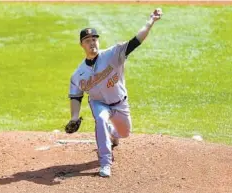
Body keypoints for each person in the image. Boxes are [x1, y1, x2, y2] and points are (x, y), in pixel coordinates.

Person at [68, 8, 163, 177]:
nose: (92, 43)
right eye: (87, 40)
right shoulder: (79, 73)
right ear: (82, 45)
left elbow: (136, 41)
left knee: (125, 132)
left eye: (94, 39)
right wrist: (74, 117)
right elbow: (76, 95)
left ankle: (113, 133)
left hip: (120, 103)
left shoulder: (113, 54)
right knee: (101, 119)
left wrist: (151, 22)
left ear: (98, 41)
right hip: (98, 103)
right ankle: (105, 162)